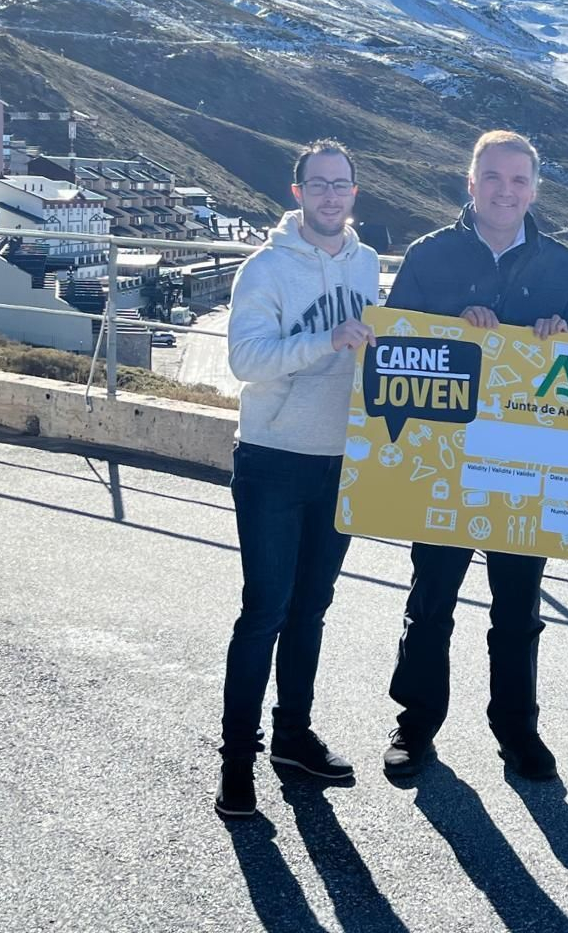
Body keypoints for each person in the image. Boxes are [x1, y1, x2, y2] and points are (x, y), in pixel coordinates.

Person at [383, 129, 568, 782]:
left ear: (534, 189)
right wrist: (451, 330)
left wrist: (562, 339)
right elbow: (394, 354)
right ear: (470, 183)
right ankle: (415, 724)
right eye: (494, 178)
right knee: (431, 599)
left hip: (523, 465)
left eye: (519, 180)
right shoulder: (429, 256)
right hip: (442, 460)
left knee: (518, 607)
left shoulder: (561, 265)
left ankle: (517, 729)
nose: (506, 191)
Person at [215, 139, 380, 819]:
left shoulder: (369, 264)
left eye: (341, 185)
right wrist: (328, 341)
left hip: (340, 461)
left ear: (353, 194)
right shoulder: (266, 269)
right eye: (319, 185)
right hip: (274, 459)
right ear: (298, 193)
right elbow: (245, 360)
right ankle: (236, 760)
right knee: (265, 611)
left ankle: (294, 737)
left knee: (311, 607)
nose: (331, 196)